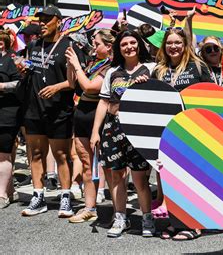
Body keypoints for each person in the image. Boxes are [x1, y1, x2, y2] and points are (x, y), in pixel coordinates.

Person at [89, 30, 155, 238]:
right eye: (124, 44)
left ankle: (147, 218)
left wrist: (149, 85)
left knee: (140, 179)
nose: (129, 47)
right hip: (113, 128)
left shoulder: (151, 68)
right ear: (118, 48)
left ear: (139, 44)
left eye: (133, 42)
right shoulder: (112, 72)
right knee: (116, 176)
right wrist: (95, 132)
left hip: (140, 130)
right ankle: (120, 217)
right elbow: (103, 101)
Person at [150, 25, 212, 241]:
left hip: (192, 132)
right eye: (169, 43)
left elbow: (211, 97)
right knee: (169, 177)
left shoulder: (198, 66)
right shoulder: (158, 70)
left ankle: (193, 225)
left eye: (178, 42)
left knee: (190, 178)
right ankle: (175, 222)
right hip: (166, 132)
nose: (173, 46)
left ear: (185, 45)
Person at [21, 5, 75, 217]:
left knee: (61, 155)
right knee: (35, 154)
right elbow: (32, 70)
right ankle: (38, 196)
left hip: (58, 110)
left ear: (58, 21)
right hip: (34, 109)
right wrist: (23, 69)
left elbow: (73, 81)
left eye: (47, 20)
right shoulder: (34, 45)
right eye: (40, 20)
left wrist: (57, 87)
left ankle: (65, 197)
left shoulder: (69, 46)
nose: (42, 23)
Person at [66, 29, 114, 223]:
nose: (93, 46)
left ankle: (118, 210)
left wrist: (77, 65)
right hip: (82, 114)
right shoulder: (93, 63)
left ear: (109, 46)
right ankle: (90, 207)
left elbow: (90, 87)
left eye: (97, 44)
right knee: (87, 164)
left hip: (99, 116)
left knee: (110, 166)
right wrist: (71, 64)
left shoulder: (110, 66)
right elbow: (72, 84)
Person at [0, 30, 21, 208]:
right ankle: (10, 191)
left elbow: (19, 83)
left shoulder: (12, 60)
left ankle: (1, 196)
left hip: (7, 113)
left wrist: (2, 86)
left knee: (3, 154)